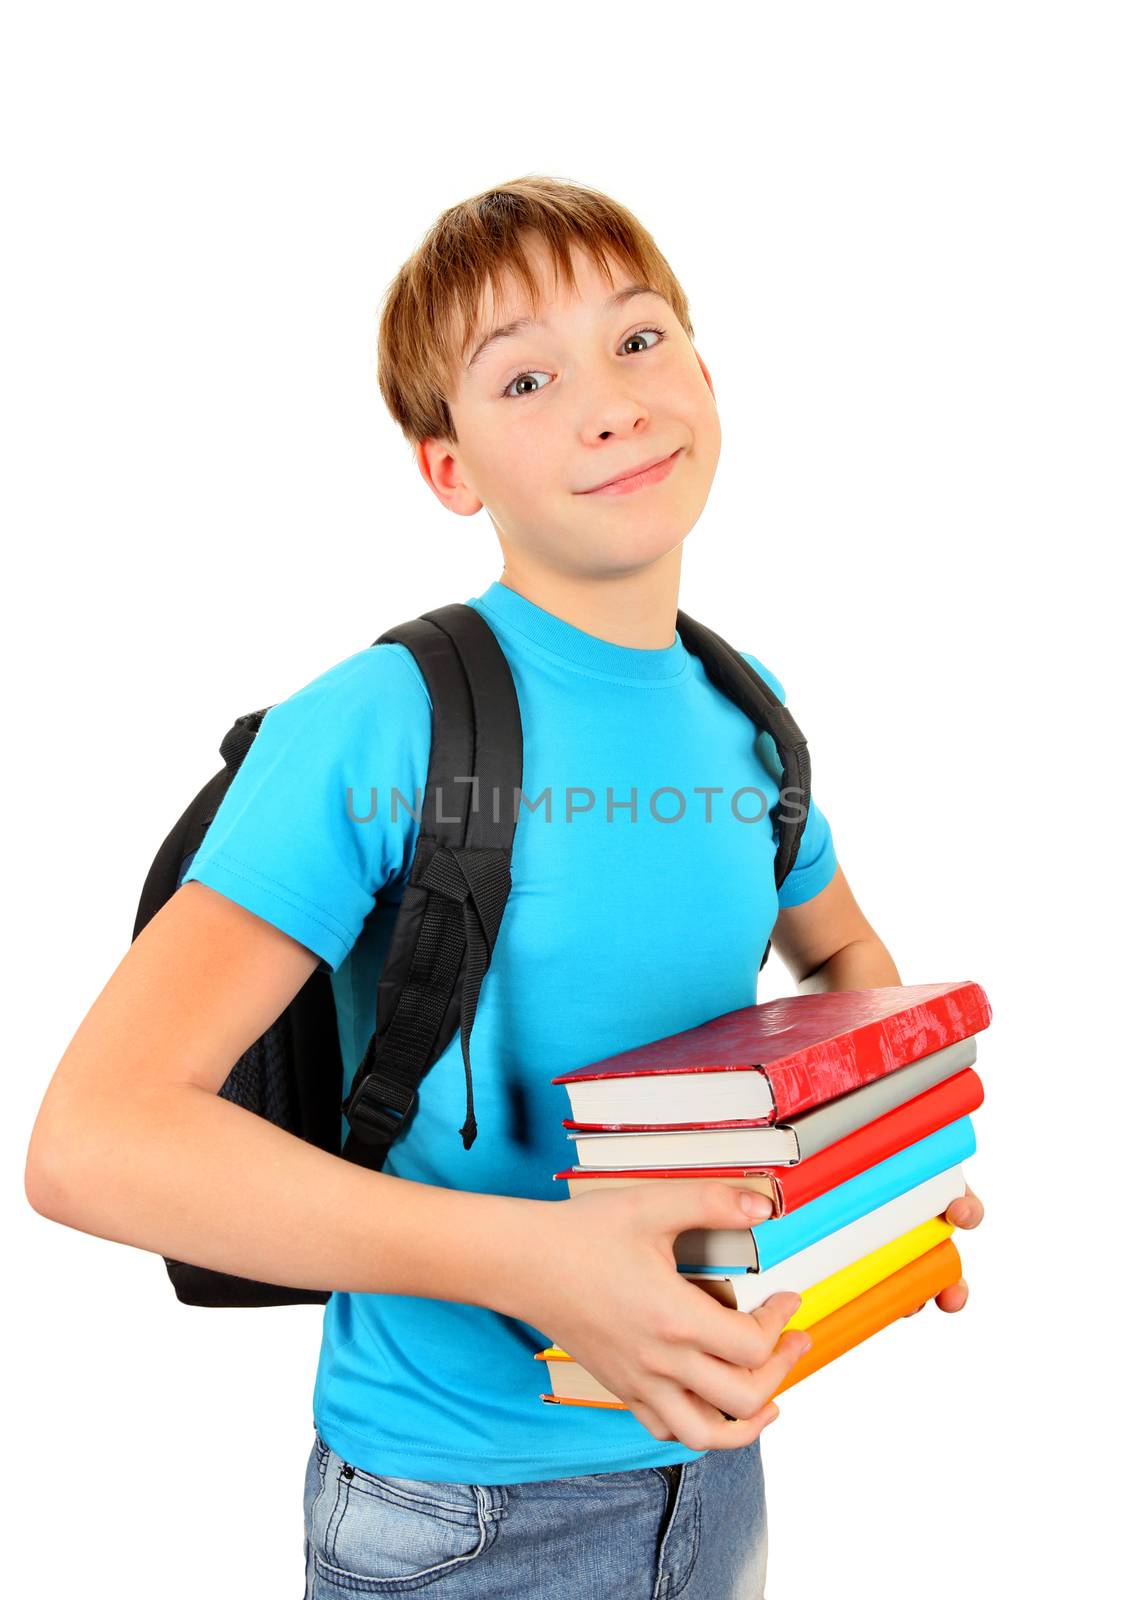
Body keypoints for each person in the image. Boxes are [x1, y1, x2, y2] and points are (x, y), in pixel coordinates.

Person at [24, 174, 984, 1598]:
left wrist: (878, 1173)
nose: (607, 401)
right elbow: (91, 1144)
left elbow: (847, 966)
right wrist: (545, 1264)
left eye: (639, 340)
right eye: (524, 376)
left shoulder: (745, 712)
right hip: (456, 1515)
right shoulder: (373, 723)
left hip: (713, 1462)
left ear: (706, 377)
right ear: (448, 468)